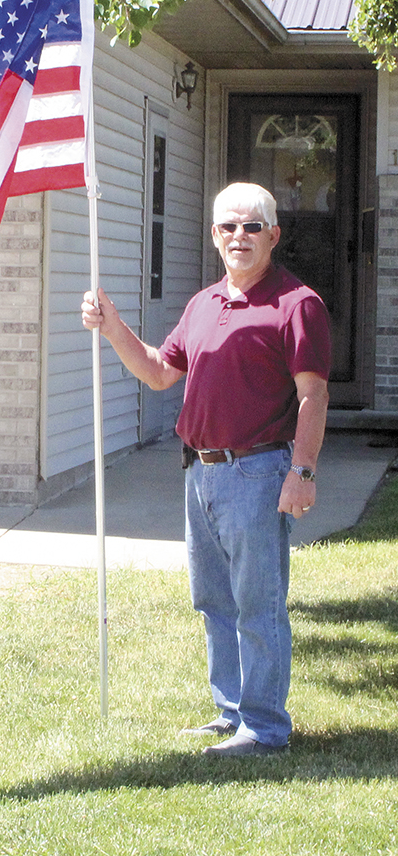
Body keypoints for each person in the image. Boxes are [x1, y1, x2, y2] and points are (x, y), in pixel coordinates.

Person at [81, 182, 331, 757]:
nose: (238, 237)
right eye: (227, 227)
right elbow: (158, 373)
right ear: (215, 235)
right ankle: (232, 712)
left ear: (273, 233)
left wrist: (304, 470)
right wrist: (113, 325)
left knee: (257, 603)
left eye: (250, 226)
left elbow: (313, 397)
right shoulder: (203, 304)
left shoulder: (297, 304)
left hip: (258, 472)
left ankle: (265, 729)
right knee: (214, 600)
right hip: (200, 473)